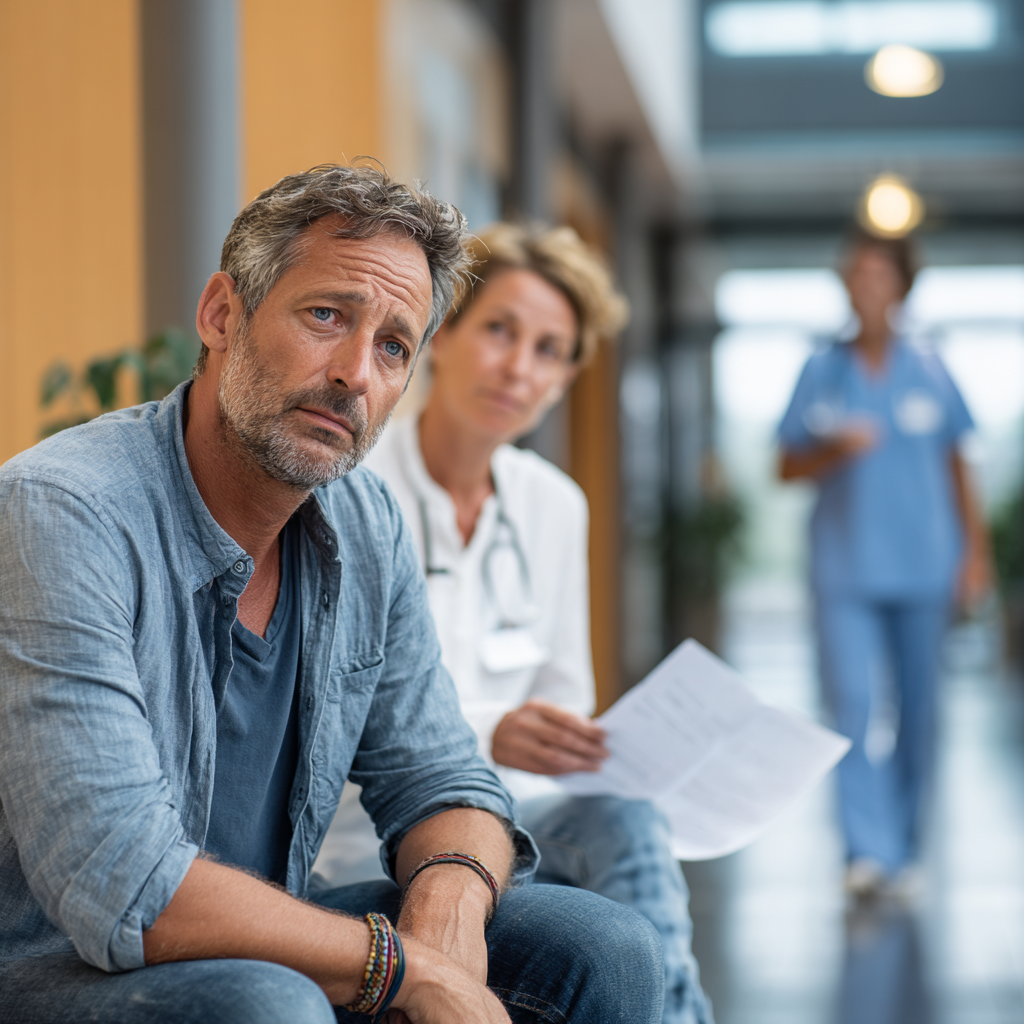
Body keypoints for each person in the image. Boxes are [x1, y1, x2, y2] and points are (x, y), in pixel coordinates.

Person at [0, 165, 664, 1024]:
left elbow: (444, 776)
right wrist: (406, 969)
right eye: (326, 316)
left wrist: (448, 909)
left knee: (602, 948)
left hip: (264, 939)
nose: (356, 372)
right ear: (222, 315)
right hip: (55, 963)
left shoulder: (362, 520)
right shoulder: (64, 510)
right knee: (268, 1004)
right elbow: (120, 881)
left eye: (393, 346)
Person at [316, 222, 714, 1024]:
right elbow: (324, 711)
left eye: (548, 350)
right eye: (500, 329)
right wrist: (492, 731)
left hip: (515, 821)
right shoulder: (348, 484)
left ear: (565, 378)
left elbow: (566, 708)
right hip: (367, 832)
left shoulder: (552, 504)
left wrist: (586, 744)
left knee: (628, 819)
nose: (518, 367)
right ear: (444, 331)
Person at [778, 229, 991, 899]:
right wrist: (833, 449)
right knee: (852, 707)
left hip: (926, 567)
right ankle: (867, 853)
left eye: (880, 274)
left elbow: (960, 465)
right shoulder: (821, 371)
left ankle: (906, 847)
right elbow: (785, 465)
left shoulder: (930, 368)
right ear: (845, 285)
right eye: (856, 274)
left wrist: (975, 553)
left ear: (901, 285)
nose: (867, 285)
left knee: (921, 712)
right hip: (846, 570)